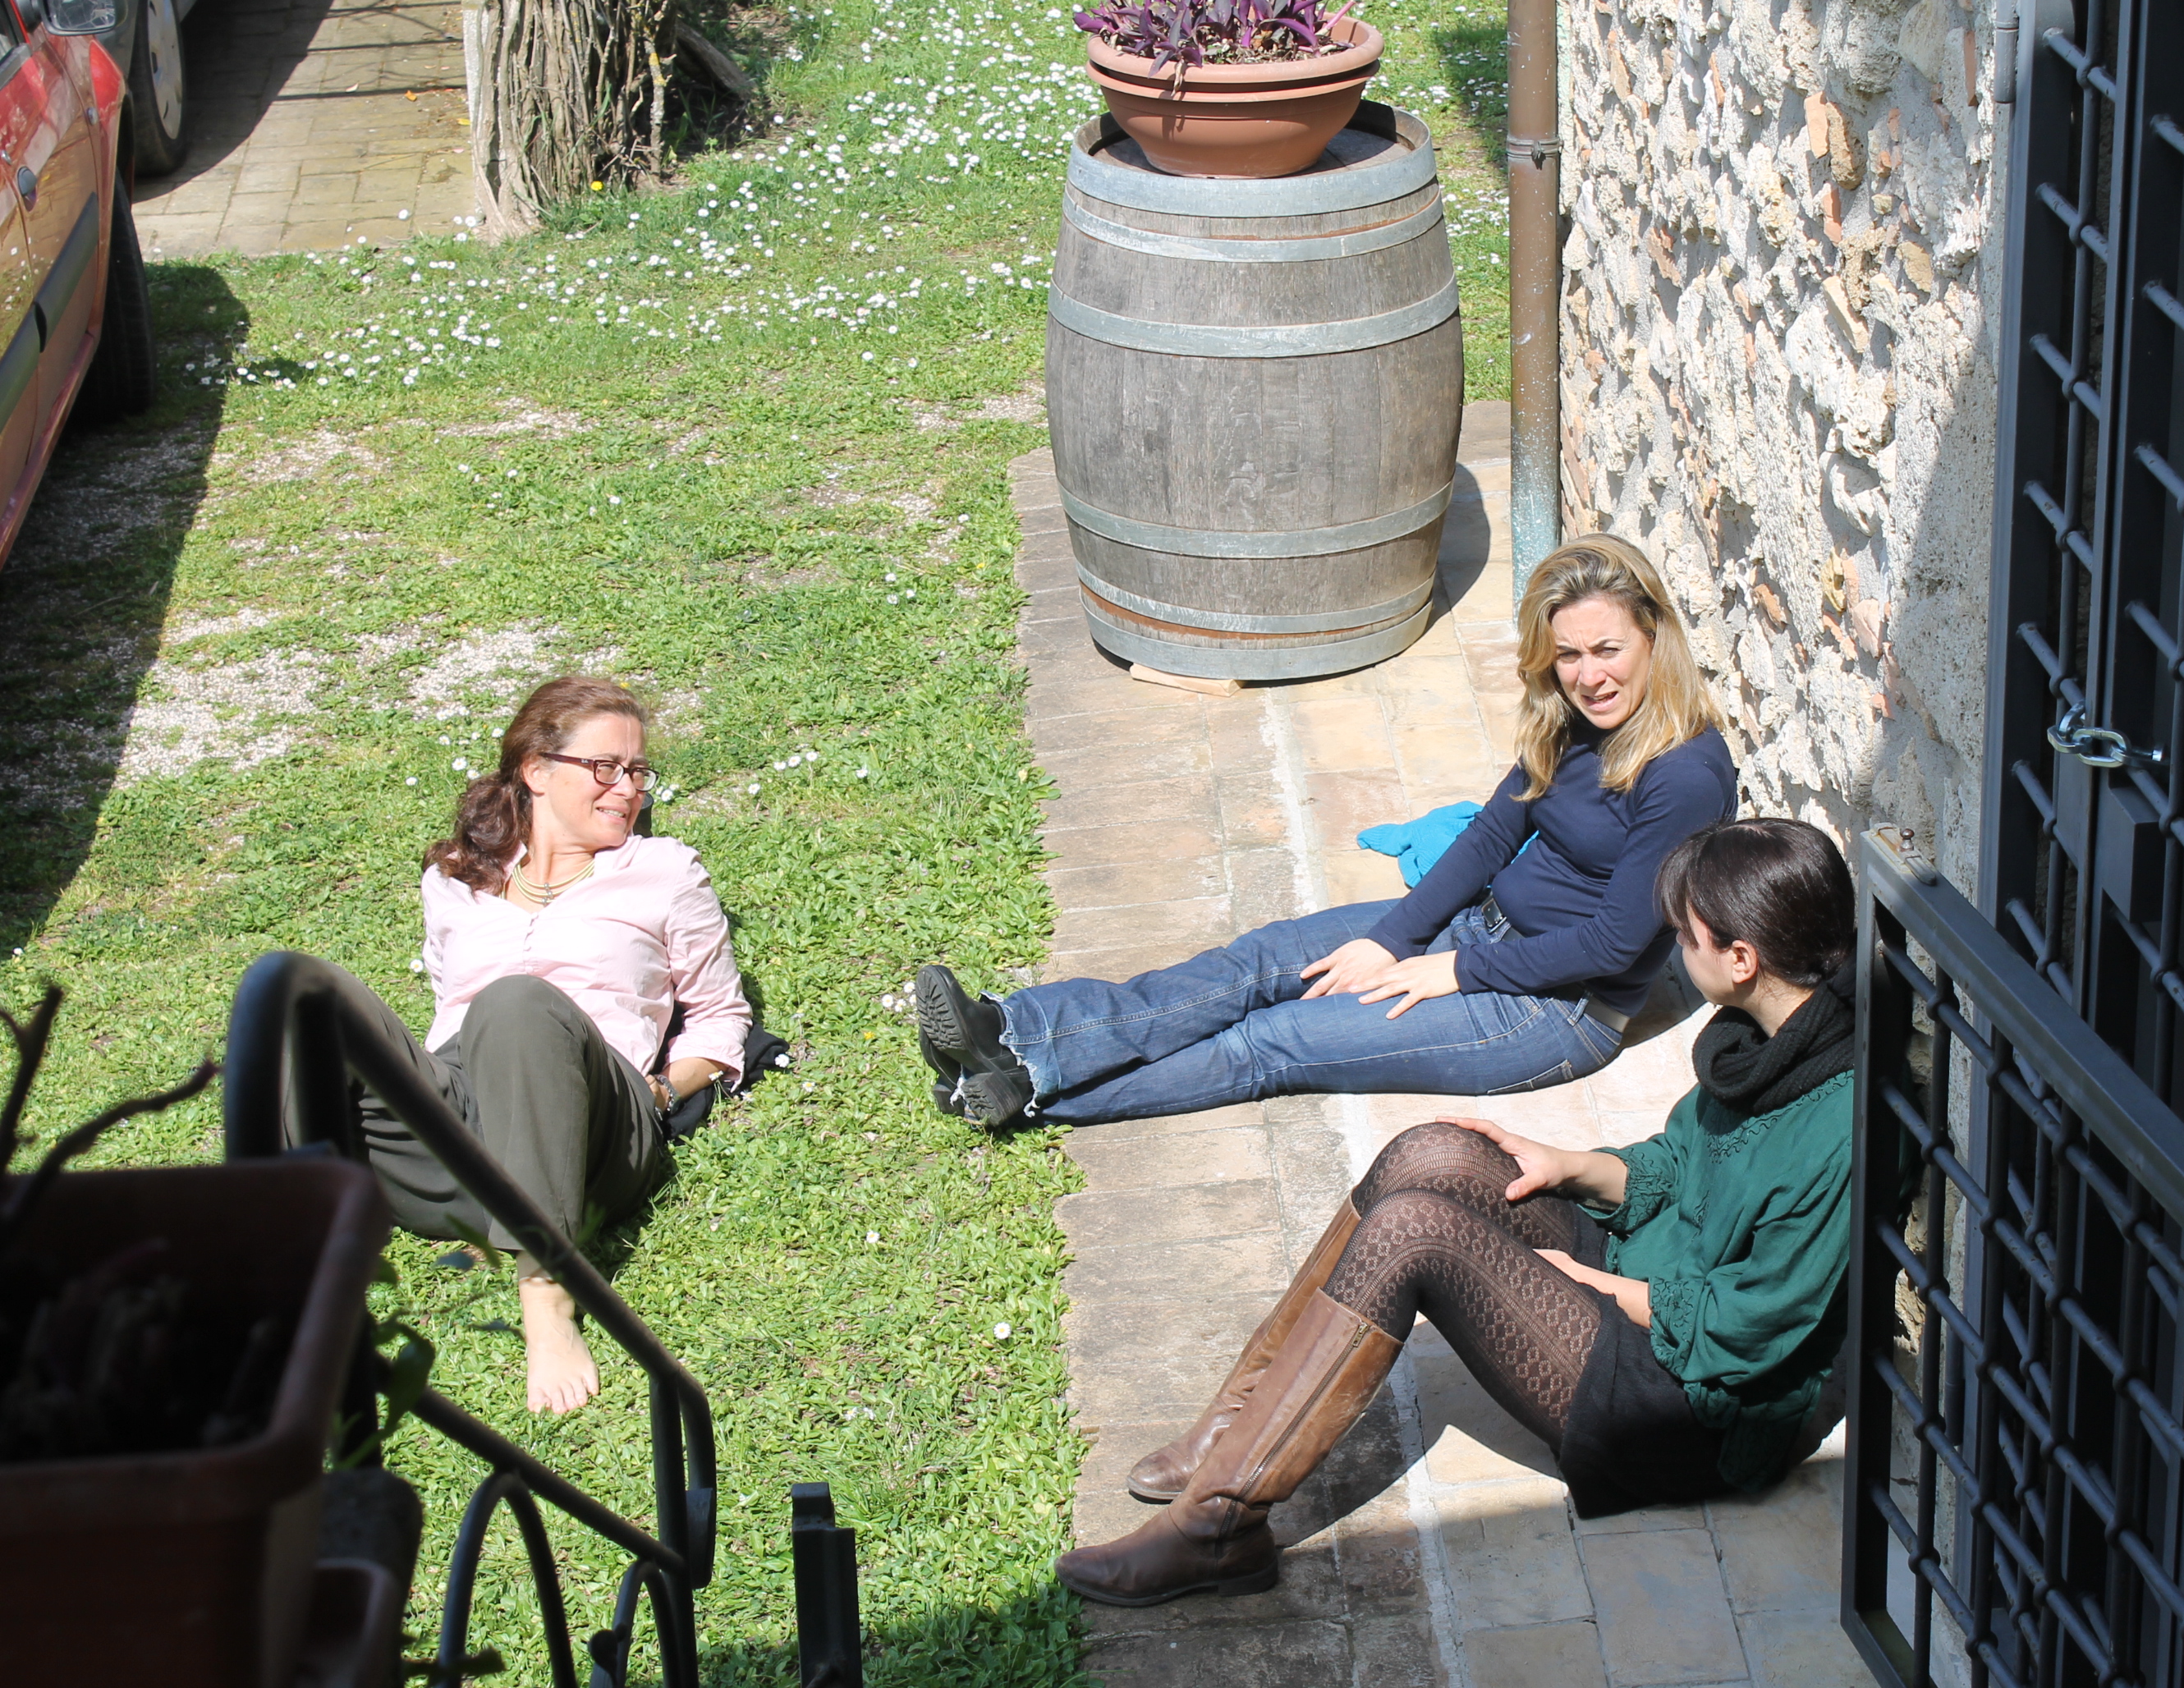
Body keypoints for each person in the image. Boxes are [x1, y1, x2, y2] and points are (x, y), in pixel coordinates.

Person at [1051, 817, 1857, 1605]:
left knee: (1414, 1234)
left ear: (1742, 958)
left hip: (1693, 1403)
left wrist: (1596, 1287)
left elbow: (1751, 1327)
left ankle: (1218, 1528)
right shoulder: (1761, 1039)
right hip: (1646, 1269)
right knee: (1432, 1152)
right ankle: (1236, 1427)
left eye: (1687, 935)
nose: (1676, 947)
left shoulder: (1839, 1126)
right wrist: (1568, 1164)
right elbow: (1681, 1161)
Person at [917, 534, 1737, 1128]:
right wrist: (1394, 938)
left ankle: (1029, 1092)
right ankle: (1014, 1031)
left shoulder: (1684, 777)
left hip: (1552, 1011)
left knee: (1271, 1042)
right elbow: (1491, 837)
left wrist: (1455, 971)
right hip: (1478, 932)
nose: (1589, 675)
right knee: (1258, 962)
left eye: (1607, 650)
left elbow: (1612, 945)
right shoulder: (1571, 718)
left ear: (1654, 637)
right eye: (1567, 655)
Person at [287, 677, 747, 1413]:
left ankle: (546, 1288)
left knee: (516, 1001)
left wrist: (663, 1090)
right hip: (464, 1118)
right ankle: (299, 1259)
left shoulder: (663, 873)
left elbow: (721, 1017)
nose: (628, 788)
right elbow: (448, 1002)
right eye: (606, 767)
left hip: (596, 1116)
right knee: (301, 992)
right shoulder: (455, 880)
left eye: (637, 771)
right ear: (536, 771)